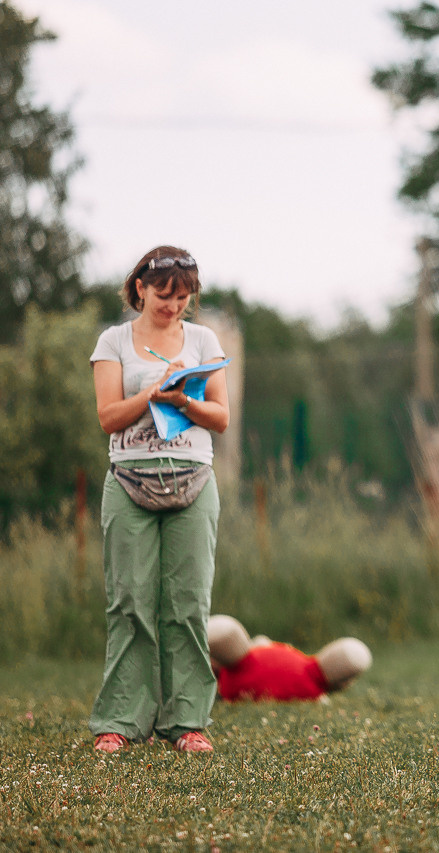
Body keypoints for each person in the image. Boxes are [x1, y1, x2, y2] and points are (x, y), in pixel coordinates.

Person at [88, 246, 230, 754]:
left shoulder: (203, 339)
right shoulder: (113, 341)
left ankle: (186, 722)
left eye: (184, 297)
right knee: (130, 602)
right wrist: (150, 394)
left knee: (188, 603)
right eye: (165, 295)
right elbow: (107, 416)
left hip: (194, 478)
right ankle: (121, 720)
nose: (174, 306)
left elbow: (221, 416)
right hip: (129, 479)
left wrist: (184, 401)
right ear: (141, 288)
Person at [207, 615, 372, 701]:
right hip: (247, 661)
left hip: (243, 663)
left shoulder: (236, 673)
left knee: (242, 641)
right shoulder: (312, 682)